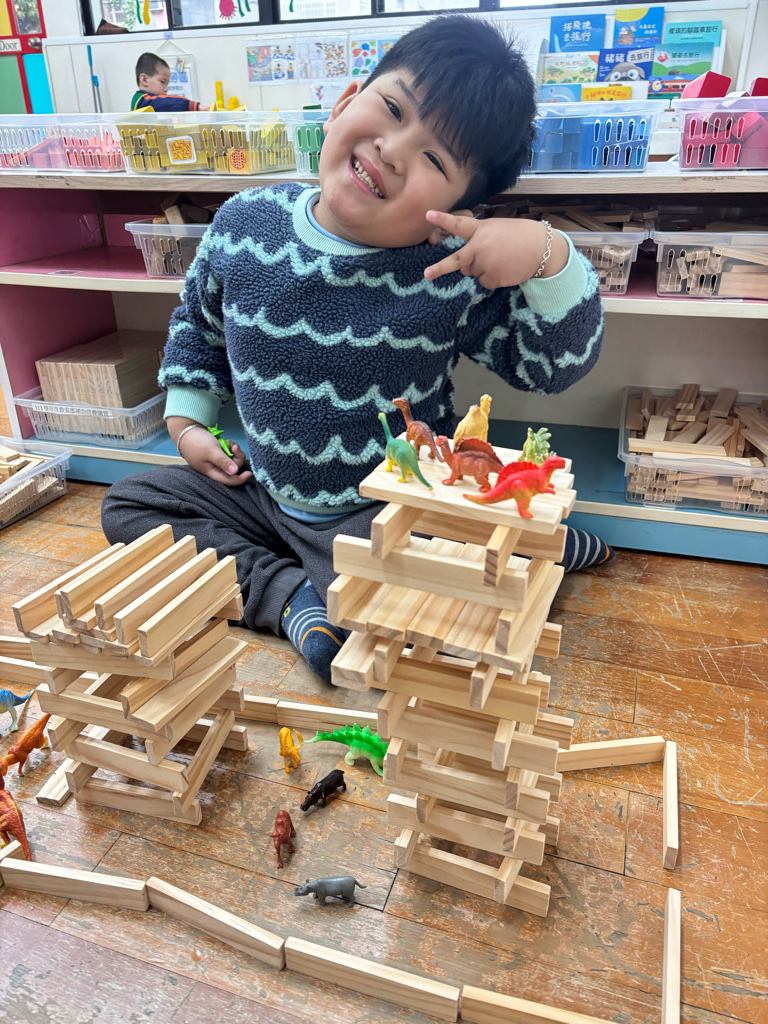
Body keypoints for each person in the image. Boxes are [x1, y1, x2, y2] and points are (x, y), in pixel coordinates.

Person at [103, 16, 610, 684]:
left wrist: (550, 255)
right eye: (393, 109)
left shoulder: (448, 271)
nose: (394, 151)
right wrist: (188, 421)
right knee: (129, 505)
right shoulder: (242, 223)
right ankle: (288, 593)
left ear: (461, 206)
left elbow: (551, 367)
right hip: (258, 496)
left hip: (388, 513)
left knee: (456, 604)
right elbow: (200, 326)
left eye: (435, 160)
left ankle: (527, 541)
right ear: (345, 102)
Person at [131, 52, 208, 111]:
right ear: (144, 80)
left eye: (167, 84)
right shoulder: (141, 101)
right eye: (162, 82)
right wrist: (193, 106)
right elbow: (165, 102)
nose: (166, 89)